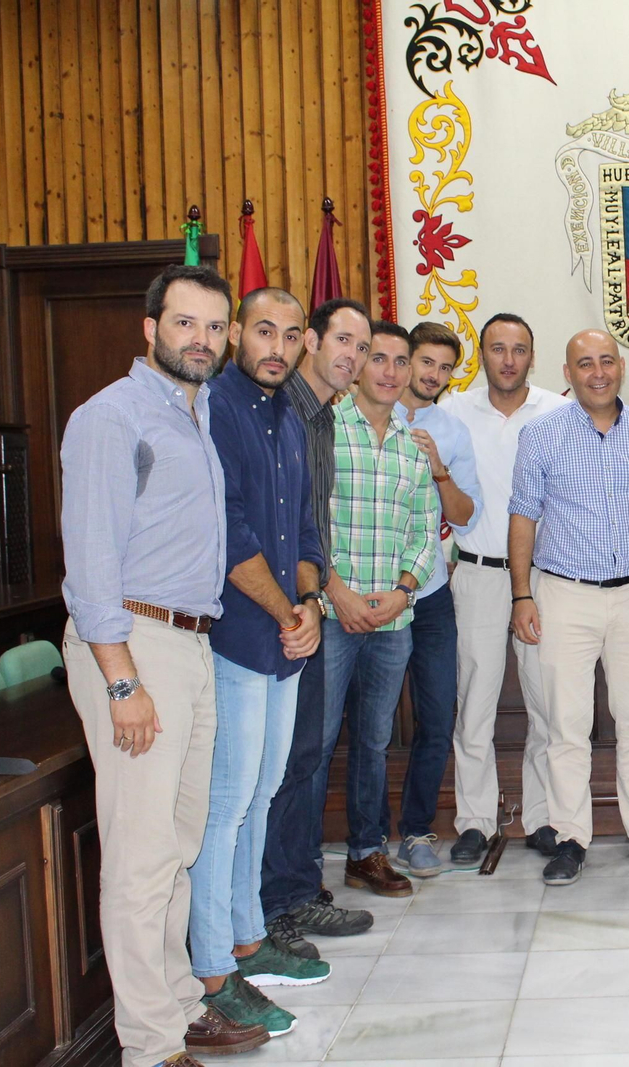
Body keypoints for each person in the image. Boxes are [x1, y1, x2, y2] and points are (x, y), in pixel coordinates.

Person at [60, 264, 269, 1066]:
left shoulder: (198, 411)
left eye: (215, 327)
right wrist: (122, 680)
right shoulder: (111, 417)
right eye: (185, 323)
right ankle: (148, 1044)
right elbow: (90, 563)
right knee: (142, 855)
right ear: (150, 328)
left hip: (190, 641)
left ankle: (181, 1004)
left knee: (180, 841)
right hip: (133, 642)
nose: (201, 339)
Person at [191, 287, 329, 1037]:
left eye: (291, 334)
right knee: (227, 801)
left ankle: (248, 937)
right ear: (237, 334)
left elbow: (306, 529)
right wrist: (286, 613)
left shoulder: (290, 417)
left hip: (285, 635)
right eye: (263, 331)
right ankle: (213, 966)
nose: (277, 347)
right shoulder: (213, 409)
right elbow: (230, 531)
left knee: (264, 789)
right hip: (236, 635)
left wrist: (308, 604)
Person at [509, 329, 629, 886]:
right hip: (564, 594)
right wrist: (521, 594)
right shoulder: (541, 434)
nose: (598, 372)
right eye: (585, 363)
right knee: (567, 726)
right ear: (568, 373)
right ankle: (569, 837)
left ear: (621, 368)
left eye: (607, 361)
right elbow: (523, 516)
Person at [260, 297, 375, 960]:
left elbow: (311, 527)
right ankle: (269, 909)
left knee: (304, 757)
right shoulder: (280, 412)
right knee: (278, 765)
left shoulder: (324, 417)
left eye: (361, 346)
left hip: (305, 606)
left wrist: (312, 595)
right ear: (311, 341)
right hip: (273, 614)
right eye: (343, 341)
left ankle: (296, 891)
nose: (352, 357)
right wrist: (301, 600)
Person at [436, 314, 568, 865]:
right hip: (477, 574)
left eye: (519, 350)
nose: (508, 360)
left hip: (543, 577)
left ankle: (543, 817)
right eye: (497, 349)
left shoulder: (559, 411)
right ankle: (474, 820)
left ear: (532, 357)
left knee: (548, 704)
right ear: (481, 355)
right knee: (475, 703)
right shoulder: (452, 412)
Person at [322, 320, 440, 898]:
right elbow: (306, 522)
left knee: (373, 743)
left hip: (394, 619)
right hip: (330, 616)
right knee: (316, 743)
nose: (390, 372)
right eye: (378, 357)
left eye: (400, 361)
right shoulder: (323, 431)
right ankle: (296, 870)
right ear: (358, 364)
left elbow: (426, 529)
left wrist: (404, 589)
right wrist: (338, 593)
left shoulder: (412, 445)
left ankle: (366, 853)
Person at [392, 322, 484, 875]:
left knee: (435, 717)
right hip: (365, 595)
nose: (434, 375)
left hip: (428, 594)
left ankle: (416, 831)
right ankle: (361, 841)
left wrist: (439, 471)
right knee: (367, 724)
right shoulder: (355, 416)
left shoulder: (449, 430)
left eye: (445, 368)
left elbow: (466, 515)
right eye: (425, 362)